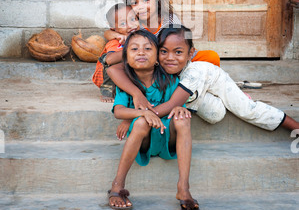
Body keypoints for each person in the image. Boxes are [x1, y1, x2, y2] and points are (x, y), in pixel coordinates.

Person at [108, 25, 299, 133]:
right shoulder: (159, 64)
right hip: (197, 97)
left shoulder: (194, 72)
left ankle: (294, 126)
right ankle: (225, 93)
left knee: (246, 110)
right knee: (214, 113)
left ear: (191, 53)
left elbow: (170, 104)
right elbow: (113, 67)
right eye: (164, 51)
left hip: (213, 80)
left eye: (178, 52)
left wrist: (135, 116)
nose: (170, 58)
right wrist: (135, 96)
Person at [107, 29, 201, 210]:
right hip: (144, 141)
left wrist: (181, 109)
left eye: (148, 48)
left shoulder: (170, 79)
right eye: (134, 49)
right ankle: (117, 185)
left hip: (168, 137)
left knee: (182, 119)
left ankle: (183, 188)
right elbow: (118, 110)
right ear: (126, 58)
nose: (141, 52)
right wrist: (141, 113)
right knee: (141, 122)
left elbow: (177, 104)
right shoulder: (128, 83)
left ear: (157, 57)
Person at [104, 0, 220, 67]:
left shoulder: (170, 19)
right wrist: (117, 35)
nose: (141, 7)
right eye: (135, 3)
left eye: (146, 0)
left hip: (173, 57)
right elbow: (108, 33)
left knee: (211, 56)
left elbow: (180, 43)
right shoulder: (134, 23)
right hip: (152, 62)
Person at [92, 3, 139, 101]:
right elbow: (109, 60)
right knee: (114, 60)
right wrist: (130, 49)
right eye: (123, 23)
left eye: (133, 19)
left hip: (123, 75)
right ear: (113, 28)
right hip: (106, 76)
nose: (131, 25)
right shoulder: (116, 42)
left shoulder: (138, 35)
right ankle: (107, 91)